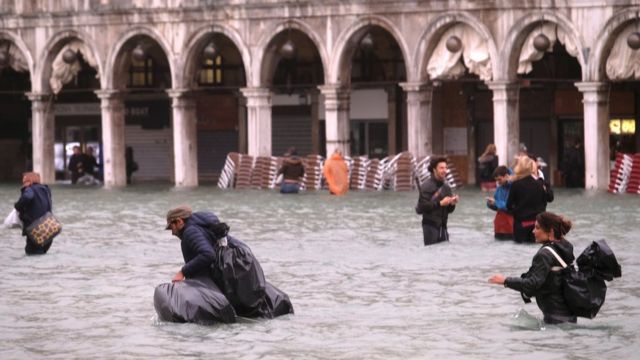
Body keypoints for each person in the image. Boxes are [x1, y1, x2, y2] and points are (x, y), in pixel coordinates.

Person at [488, 211, 577, 325]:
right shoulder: (564, 248)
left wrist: (505, 281)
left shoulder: (544, 254)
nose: (533, 231)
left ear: (550, 232)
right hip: (569, 315)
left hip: (555, 318)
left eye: (537, 228)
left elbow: (533, 283)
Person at [506, 156, 552, 243]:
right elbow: (545, 201)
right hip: (537, 224)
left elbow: (509, 205)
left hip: (521, 224)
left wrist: (516, 212)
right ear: (531, 168)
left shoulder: (515, 185)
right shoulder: (540, 184)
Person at [164, 205, 216, 283]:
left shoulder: (190, 232)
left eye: (171, 227)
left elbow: (208, 254)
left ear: (179, 221)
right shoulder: (201, 228)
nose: (172, 233)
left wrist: (182, 272)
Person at [415, 156, 459, 246]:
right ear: (434, 169)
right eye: (441, 168)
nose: (444, 170)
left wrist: (452, 204)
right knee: (431, 256)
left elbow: (449, 210)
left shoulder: (446, 187)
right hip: (430, 227)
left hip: (443, 227)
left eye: (446, 168)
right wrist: (440, 203)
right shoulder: (426, 186)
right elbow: (422, 207)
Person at [14, 172, 54, 255]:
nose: (23, 183)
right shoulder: (46, 189)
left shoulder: (30, 189)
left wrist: (17, 206)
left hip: (35, 230)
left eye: (24, 181)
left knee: (31, 254)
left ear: (29, 180)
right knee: (42, 255)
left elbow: (27, 197)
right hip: (48, 229)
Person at [486, 165, 513, 240]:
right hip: (499, 226)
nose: (498, 182)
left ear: (506, 176)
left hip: (510, 226)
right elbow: (496, 205)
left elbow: (511, 207)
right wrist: (490, 204)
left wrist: (496, 203)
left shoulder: (514, 187)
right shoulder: (499, 188)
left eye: (499, 179)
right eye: (496, 180)